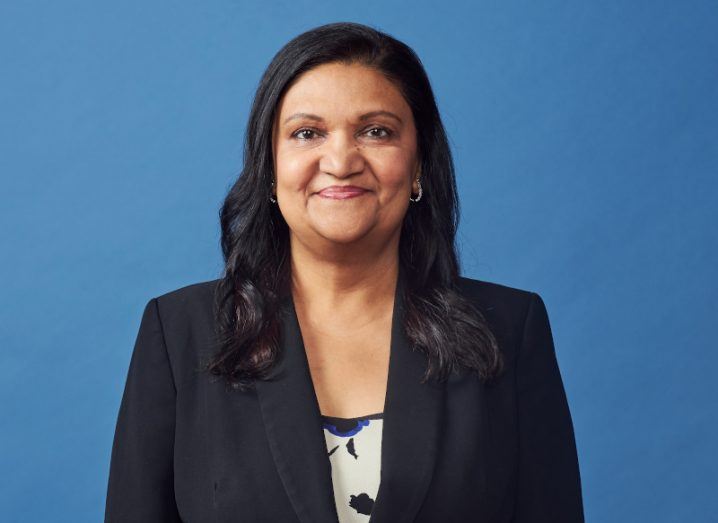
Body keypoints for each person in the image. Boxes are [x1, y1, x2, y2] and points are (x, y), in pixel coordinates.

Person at [104, 21, 584, 523]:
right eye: (307, 133)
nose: (339, 161)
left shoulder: (509, 328)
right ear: (270, 167)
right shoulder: (179, 331)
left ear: (418, 163)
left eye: (376, 131)